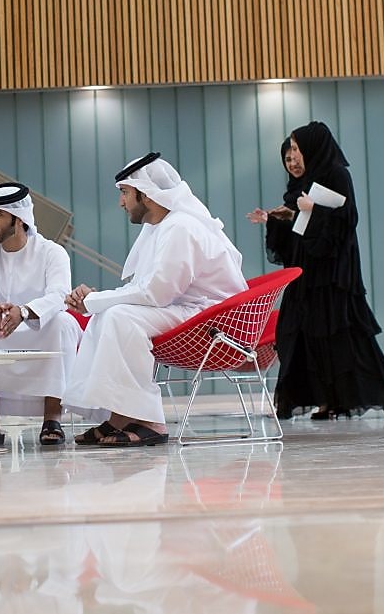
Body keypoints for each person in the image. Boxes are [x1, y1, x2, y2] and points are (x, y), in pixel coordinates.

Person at [63, 153, 247, 447]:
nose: (121, 202)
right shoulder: (163, 226)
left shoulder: (180, 227)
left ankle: (150, 421)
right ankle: (121, 416)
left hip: (214, 321)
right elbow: (150, 288)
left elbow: (156, 293)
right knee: (112, 314)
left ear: (145, 194)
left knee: (120, 317)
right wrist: (98, 301)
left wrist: (97, 299)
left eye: (124, 193)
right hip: (190, 311)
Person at [246, 121, 384, 419]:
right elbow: (299, 233)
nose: (294, 157)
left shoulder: (337, 175)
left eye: (297, 149)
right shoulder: (300, 186)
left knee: (334, 335)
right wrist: (278, 219)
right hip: (305, 273)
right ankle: (315, 399)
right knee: (298, 332)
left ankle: (335, 401)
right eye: (290, 153)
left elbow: (346, 220)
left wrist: (311, 210)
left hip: (332, 274)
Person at [0, 183, 82, 447]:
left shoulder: (51, 252)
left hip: (39, 323)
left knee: (61, 324)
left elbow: (59, 294)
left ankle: (52, 421)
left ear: (19, 220)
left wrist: (24, 312)